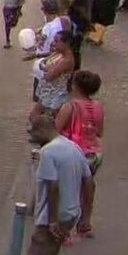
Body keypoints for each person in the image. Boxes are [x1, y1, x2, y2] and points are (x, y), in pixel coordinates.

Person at [26, 115, 91, 255]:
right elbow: (89, 182)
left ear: (44, 130)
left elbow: (52, 186)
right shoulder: (73, 147)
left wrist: (52, 220)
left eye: (34, 133)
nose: (32, 138)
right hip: (71, 213)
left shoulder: (48, 152)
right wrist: (85, 217)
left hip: (51, 217)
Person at [54, 70, 102, 239]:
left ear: (74, 85)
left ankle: (64, 231)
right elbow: (100, 132)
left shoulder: (69, 107)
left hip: (73, 153)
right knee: (88, 186)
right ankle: (85, 223)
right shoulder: (97, 107)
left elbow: (56, 130)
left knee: (66, 190)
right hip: (94, 155)